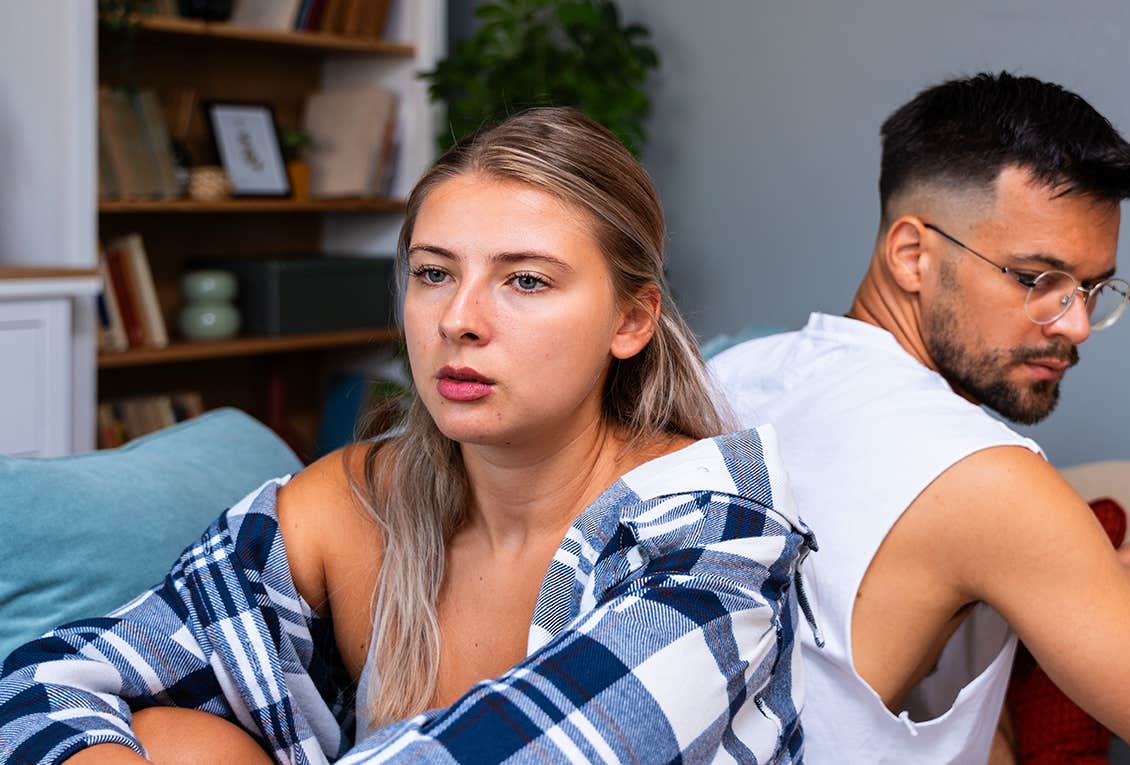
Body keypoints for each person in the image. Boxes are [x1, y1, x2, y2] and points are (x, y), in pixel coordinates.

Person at [0, 107, 815, 764]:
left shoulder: (714, 532)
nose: (458, 320)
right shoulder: (357, 499)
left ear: (631, 320)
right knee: (173, 740)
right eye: (434, 273)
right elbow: (43, 680)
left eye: (525, 279)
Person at [708, 72, 1130, 764]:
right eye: (1040, 280)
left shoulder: (731, 374)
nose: (1077, 326)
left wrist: (1072, 586)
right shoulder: (985, 473)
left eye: (1092, 289)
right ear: (912, 255)